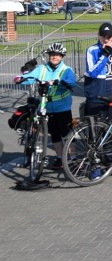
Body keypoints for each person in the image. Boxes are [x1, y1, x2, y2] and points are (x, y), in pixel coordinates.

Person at [16, 42, 76, 170]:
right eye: (52, 54)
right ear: (49, 56)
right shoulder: (42, 69)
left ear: (62, 57)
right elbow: (29, 77)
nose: (55, 57)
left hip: (62, 106)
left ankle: (74, 158)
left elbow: (71, 82)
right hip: (47, 106)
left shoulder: (66, 70)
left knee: (67, 133)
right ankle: (60, 158)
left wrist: (62, 82)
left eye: (58, 55)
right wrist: (20, 78)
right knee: (54, 134)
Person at [83, 22, 112, 117]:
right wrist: (105, 55)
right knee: (96, 126)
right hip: (97, 92)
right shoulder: (91, 50)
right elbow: (93, 73)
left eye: (109, 37)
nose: (106, 40)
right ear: (98, 35)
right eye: (103, 37)